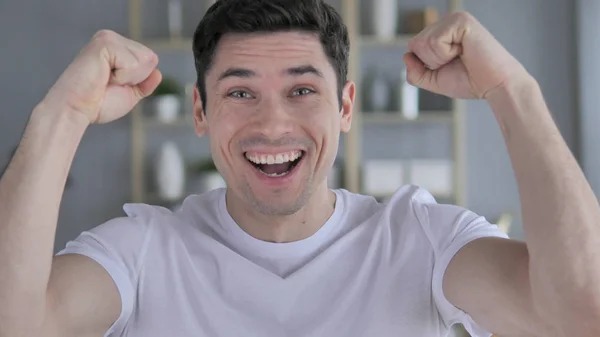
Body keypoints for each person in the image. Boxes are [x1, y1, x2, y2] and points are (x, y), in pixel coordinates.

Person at [1, 0, 599, 336]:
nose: (272, 125)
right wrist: (63, 114)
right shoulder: (143, 249)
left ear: (344, 107)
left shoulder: (423, 239)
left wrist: (512, 89)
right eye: (240, 93)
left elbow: (579, 313)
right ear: (200, 112)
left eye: (302, 91)